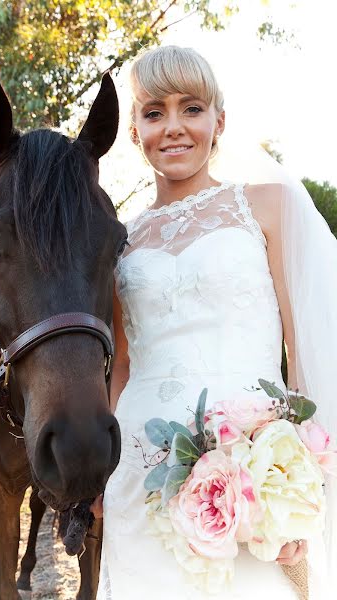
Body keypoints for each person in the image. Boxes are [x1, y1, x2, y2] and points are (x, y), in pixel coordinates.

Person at [92, 45, 337, 599]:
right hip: (141, 471)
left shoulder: (268, 206)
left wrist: (295, 480)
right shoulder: (119, 243)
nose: (173, 127)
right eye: (154, 112)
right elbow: (123, 365)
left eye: (192, 108)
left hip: (256, 476)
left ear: (219, 120)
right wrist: (100, 470)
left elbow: (303, 352)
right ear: (135, 130)